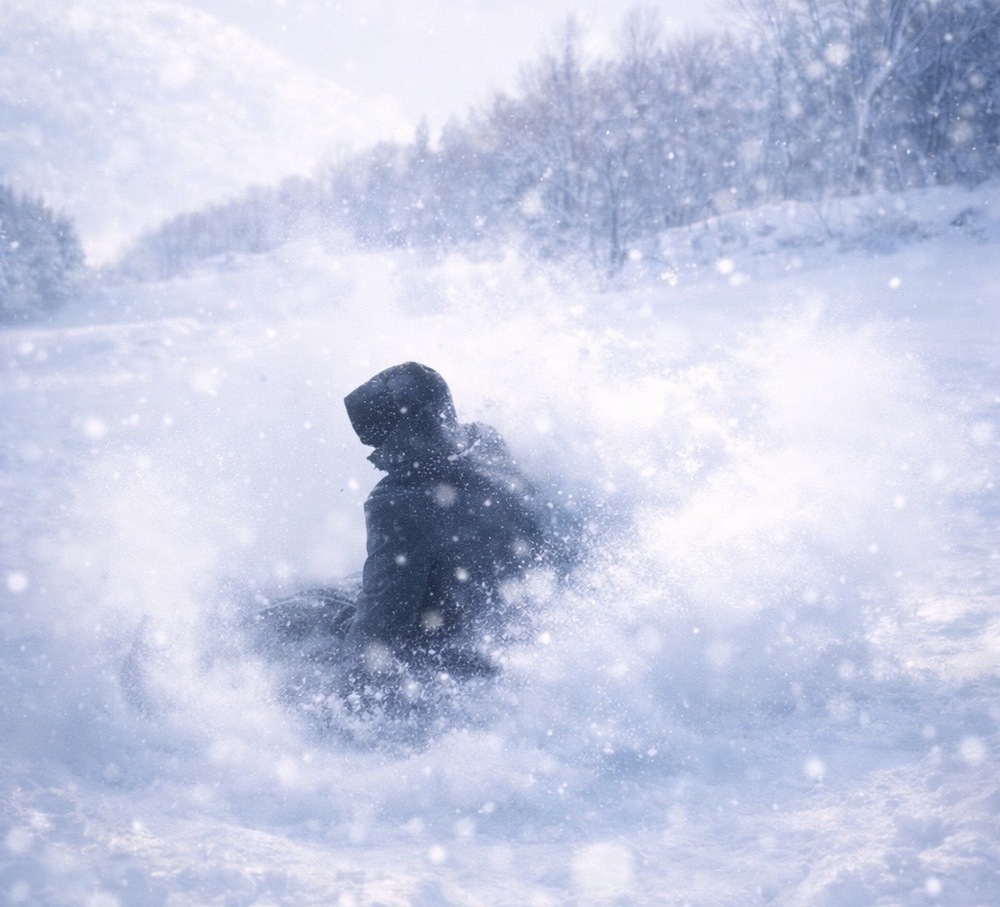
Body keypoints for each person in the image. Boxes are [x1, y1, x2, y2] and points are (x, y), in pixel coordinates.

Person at [340, 362, 547, 688]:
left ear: (398, 436)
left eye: (377, 442)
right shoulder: (485, 440)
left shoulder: (397, 500)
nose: (376, 456)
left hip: (449, 649)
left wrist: (344, 694)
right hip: (517, 617)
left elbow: (384, 624)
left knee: (301, 614)